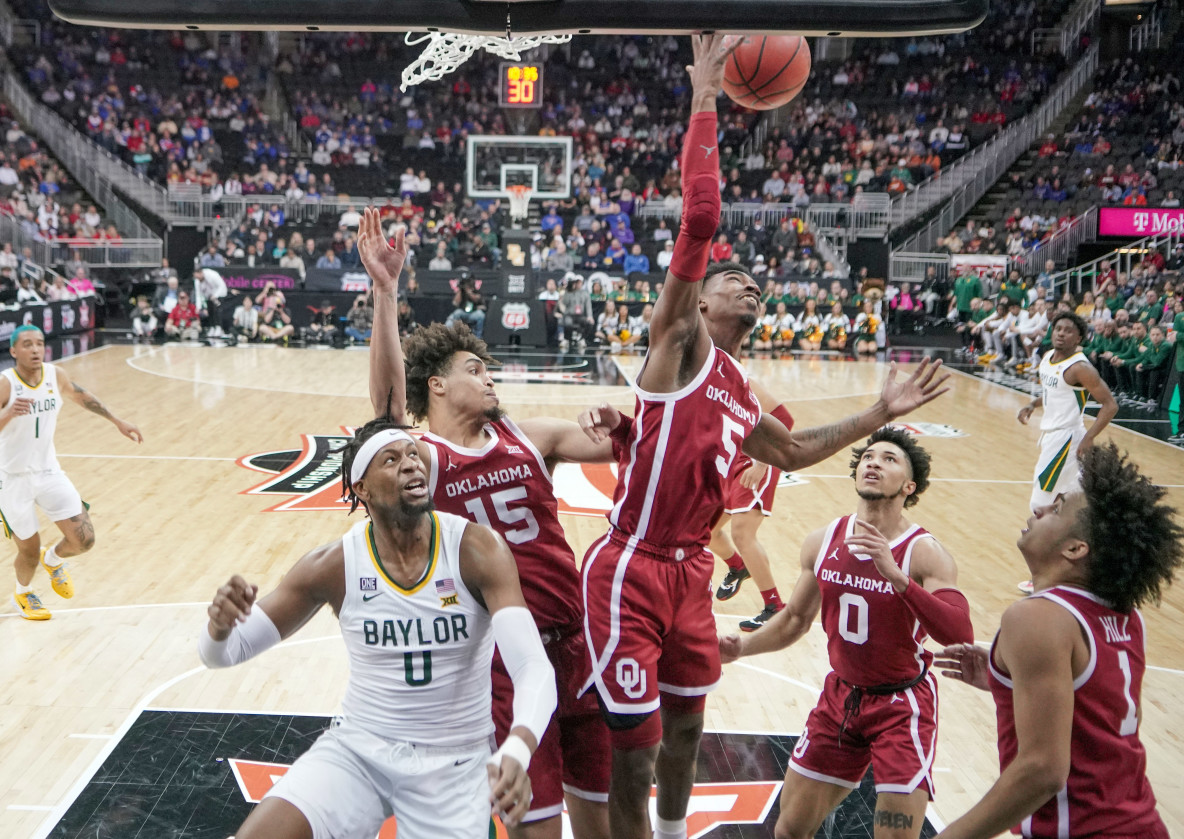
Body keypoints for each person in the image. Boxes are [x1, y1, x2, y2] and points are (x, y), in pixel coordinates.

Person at [573, 35, 949, 839]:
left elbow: (800, 450)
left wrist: (881, 413)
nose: (751, 283)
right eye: (732, 279)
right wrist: (705, 99)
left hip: (691, 574)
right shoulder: (677, 343)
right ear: (699, 304)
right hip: (630, 565)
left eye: (755, 282)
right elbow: (702, 216)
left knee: (685, 737)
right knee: (632, 754)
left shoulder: (745, 393)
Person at [359, 207, 615, 839]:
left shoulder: (531, 437)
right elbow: (388, 404)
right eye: (475, 369)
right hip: (503, 660)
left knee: (601, 817)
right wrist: (386, 294)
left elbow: (637, 444)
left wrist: (623, 422)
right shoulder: (425, 459)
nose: (489, 376)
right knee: (536, 827)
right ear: (438, 387)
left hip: (580, 646)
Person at [200, 418, 555, 839]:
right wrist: (219, 627)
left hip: (453, 762)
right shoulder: (334, 565)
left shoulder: (475, 549)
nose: (411, 465)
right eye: (391, 459)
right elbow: (223, 653)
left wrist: (518, 745)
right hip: (359, 749)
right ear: (362, 489)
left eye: (412, 455)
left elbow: (534, 665)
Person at [718, 428, 971, 839]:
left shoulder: (923, 552)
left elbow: (958, 631)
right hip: (840, 699)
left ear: (909, 486)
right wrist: (742, 647)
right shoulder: (824, 539)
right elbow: (796, 619)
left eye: (889, 459)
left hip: (900, 705)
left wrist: (898, 578)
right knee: (789, 829)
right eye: (868, 457)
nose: (874, 462)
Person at [935, 444, 1179, 839]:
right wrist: (1007, 681)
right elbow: (1095, 717)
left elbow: (1043, 771)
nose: (1040, 509)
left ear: (1075, 548)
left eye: (1059, 507)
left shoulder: (1037, 617)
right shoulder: (1126, 617)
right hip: (1141, 824)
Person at [0, 326, 142, 620]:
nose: (35, 349)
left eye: (40, 343)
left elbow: (82, 396)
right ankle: (23, 593)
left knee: (84, 540)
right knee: (28, 551)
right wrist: (8, 414)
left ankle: (53, 559)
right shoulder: (2, 386)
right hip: (11, 477)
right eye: (27, 344)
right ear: (13, 351)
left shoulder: (55, 376)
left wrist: (116, 420)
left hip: (48, 471)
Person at [1016, 312, 1116, 594]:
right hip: (1052, 438)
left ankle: (1044, 574)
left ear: (1079, 338)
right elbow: (1054, 393)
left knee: (1041, 505)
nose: (1060, 333)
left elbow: (1110, 405)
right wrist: (1034, 404)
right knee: (1075, 502)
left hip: (1065, 441)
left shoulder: (1081, 368)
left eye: (1068, 330)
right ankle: (1085, 571)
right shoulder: (1049, 357)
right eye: (1057, 328)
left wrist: (1088, 437)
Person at [712, 384, 794, 630]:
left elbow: (784, 419)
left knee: (742, 534)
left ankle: (775, 606)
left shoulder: (740, 380)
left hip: (756, 460)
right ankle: (738, 566)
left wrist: (762, 462)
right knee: (705, 531)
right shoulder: (699, 382)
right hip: (730, 461)